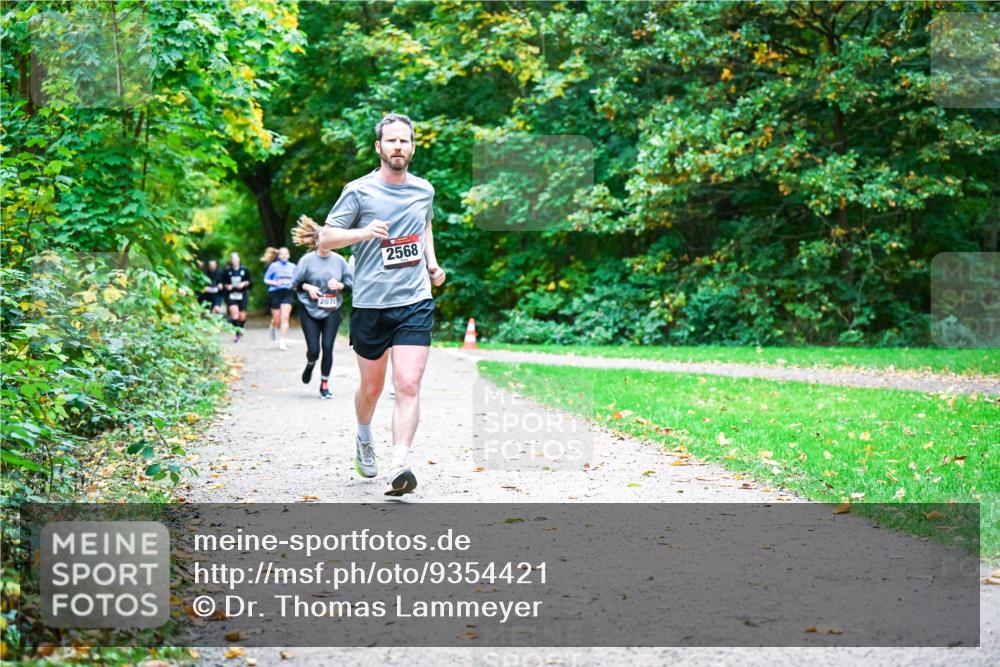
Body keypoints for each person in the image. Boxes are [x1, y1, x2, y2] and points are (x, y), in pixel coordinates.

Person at [319, 112, 446, 496]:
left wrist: (432, 262)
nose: (398, 147)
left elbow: (424, 223)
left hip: (414, 299)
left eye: (404, 141)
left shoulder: (424, 190)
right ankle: (363, 436)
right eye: (391, 141)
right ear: (379, 147)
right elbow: (325, 238)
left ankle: (400, 464)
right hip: (371, 304)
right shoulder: (358, 191)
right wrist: (363, 232)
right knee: (371, 389)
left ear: (412, 146)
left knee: (407, 383)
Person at [291, 216, 353, 399]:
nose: (326, 243)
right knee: (314, 350)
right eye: (322, 239)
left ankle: (324, 384)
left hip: (332, 310)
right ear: (317, 241)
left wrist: (340, 286)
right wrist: (308, 287)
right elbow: (295, 283)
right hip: (309, 309)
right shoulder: (307, 260)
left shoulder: (340, 260)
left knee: (327, 347)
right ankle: (311, 363)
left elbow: (350, 284)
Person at [262, 246, 296, 350]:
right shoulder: (273, 266)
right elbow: (266, 280)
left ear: (289, 255)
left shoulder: (293, 266)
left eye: (286, 253)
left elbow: (297, 279)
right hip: (275, 292)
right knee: (277, 320)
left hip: (288, 292)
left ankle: (282, 341)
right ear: (279, 256)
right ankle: (273, 326)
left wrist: (294, 284)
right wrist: (275, 282)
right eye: (282, 253)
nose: (284, 255)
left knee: (285, 317)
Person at [222, 251, 251, 342]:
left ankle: (241, 328)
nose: (234, 261)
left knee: (242, 317)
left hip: (242, 294)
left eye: (236, 258)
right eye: (233, 259)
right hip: (232, 295)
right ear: (231, 260)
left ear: (239, 259)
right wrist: (227, 286)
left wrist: (244, 284)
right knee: (235, 314)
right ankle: (237, 334)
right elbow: (223, 283)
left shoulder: (245, 270)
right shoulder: (227, 271)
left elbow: (250, 281)